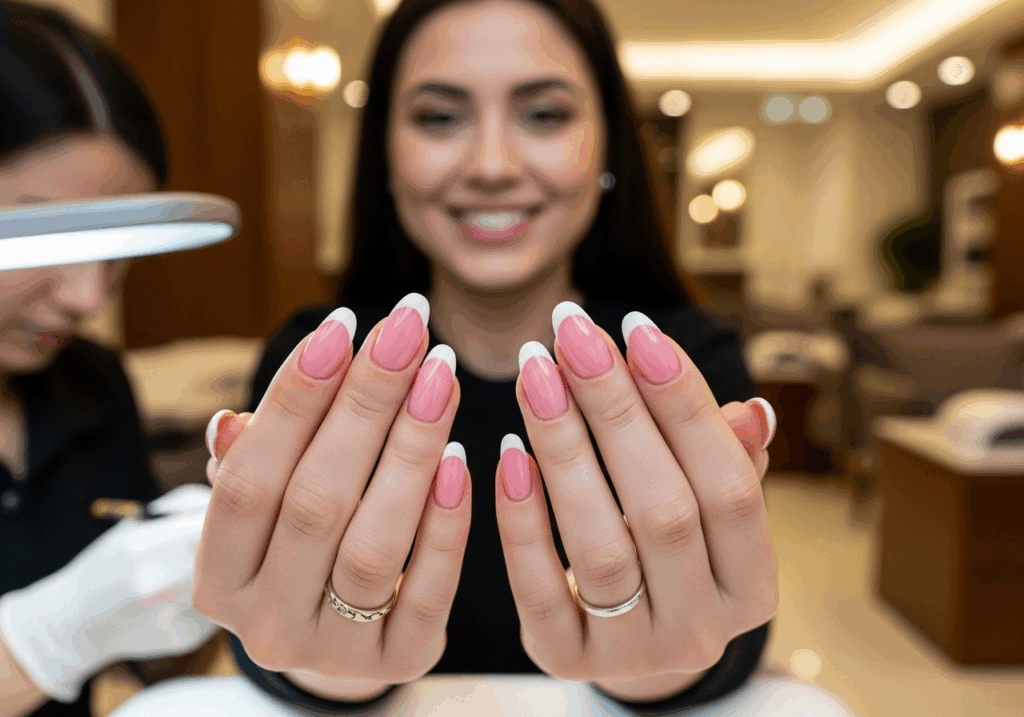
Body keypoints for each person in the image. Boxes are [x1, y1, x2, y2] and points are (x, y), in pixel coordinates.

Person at [196, 0, 779, 713]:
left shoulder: (684, 363)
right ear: (384, 151)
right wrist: (325, 659)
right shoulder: (315, 361)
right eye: (440, 117)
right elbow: (270, 632)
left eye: (545, 115)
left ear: (608, 147)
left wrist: (654, 664)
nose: (493, 166)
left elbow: (726, 632)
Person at [0, 3, 218, 715]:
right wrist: (47, 633)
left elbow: (155, 665)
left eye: (118, 245)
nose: (88, 295)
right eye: (48, 236)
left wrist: (214, 575)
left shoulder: (89, 385)